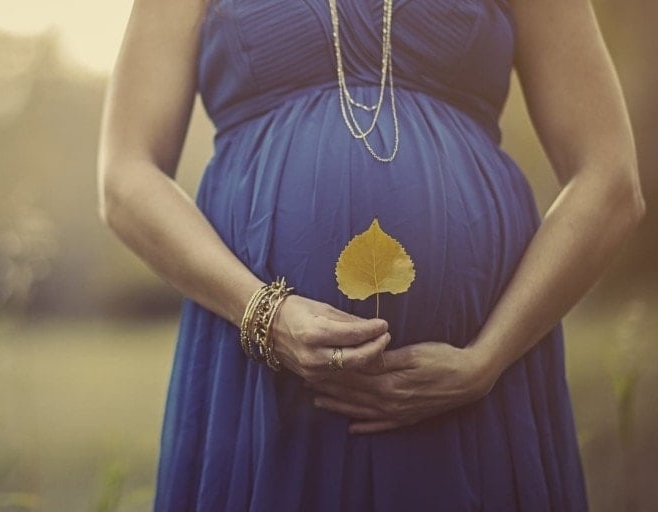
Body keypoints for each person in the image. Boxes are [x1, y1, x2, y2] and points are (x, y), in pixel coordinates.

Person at [96, 0, 646, 509]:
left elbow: (611, 183)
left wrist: (487, 360)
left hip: (475, 387)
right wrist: (265, 313)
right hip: (262, 373)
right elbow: (126, 178)